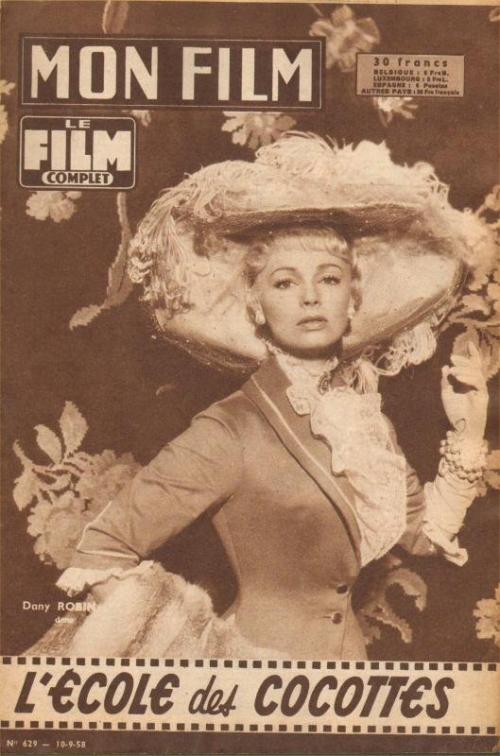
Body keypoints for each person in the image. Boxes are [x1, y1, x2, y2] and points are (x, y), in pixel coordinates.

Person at [39, 134, 494, 660]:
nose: (310, 296)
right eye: (284, 283)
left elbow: (422, 537)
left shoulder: (362, 421)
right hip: (253, 684)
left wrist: (469, 430)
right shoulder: (231, 429)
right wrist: (193, 645)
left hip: (349, 681)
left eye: (329, 279)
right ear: (256, 307)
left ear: (352, 299)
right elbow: (102, 548)